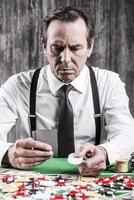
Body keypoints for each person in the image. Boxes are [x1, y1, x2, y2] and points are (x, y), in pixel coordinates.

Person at [0, 6, 134, 177]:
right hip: (36, 183)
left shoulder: (109, 84)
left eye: (75, 48)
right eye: (57, 47)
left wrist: (105, 153)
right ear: (44, 46)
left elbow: (127, 135)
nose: (65, 59)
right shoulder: (18, 86)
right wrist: (8, 153)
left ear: (89, 47)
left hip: (92, 182)